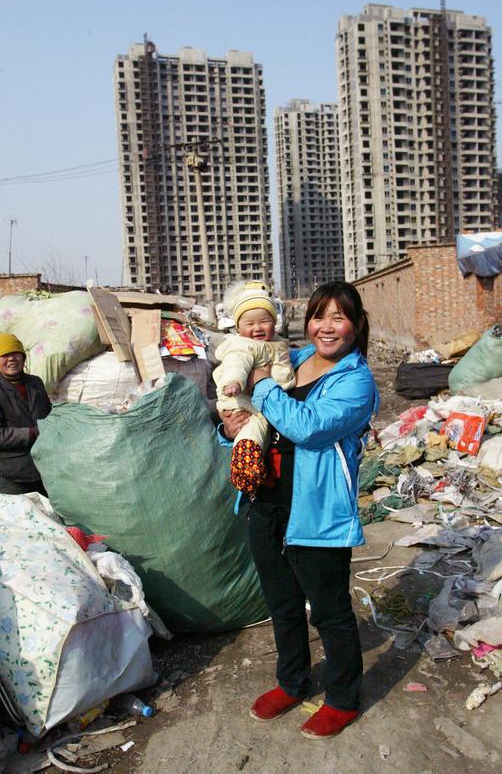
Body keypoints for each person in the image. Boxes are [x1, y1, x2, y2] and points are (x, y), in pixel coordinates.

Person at [220, 281, 379, 739]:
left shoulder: (355, 380)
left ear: (356, 325)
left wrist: (263, 384)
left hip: (315, 508)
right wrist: (232, 429)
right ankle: (292, 681)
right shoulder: (294, 360)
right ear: (305, 321)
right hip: (265, 499)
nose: (326, 327)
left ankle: (343, 697)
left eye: (338, 317)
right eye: (318, 316)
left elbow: (308, 428)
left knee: (328, 609)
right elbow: (255, 417)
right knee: (282, 602)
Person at [213, 281, 295, 496]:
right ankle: (245, 469)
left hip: (269, 406)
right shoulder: (243, 345)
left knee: (262, 433)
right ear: (238, 327)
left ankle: (255, 472)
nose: (257, 328)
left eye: (265, 321)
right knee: (250, 432)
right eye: (249, 323)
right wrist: (235, 382)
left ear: (274, 322)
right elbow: (236, 364)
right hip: (246, 404)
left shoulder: (278, 344)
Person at [0, 333, 52, 496]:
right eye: (4, 355)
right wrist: (30, 433)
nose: (11, 359)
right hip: (15, 475)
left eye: (15, 353)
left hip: (46, 469)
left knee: (52, 519)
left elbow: (49, 414)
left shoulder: (35, 383)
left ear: (23, 357)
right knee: (21, 520)